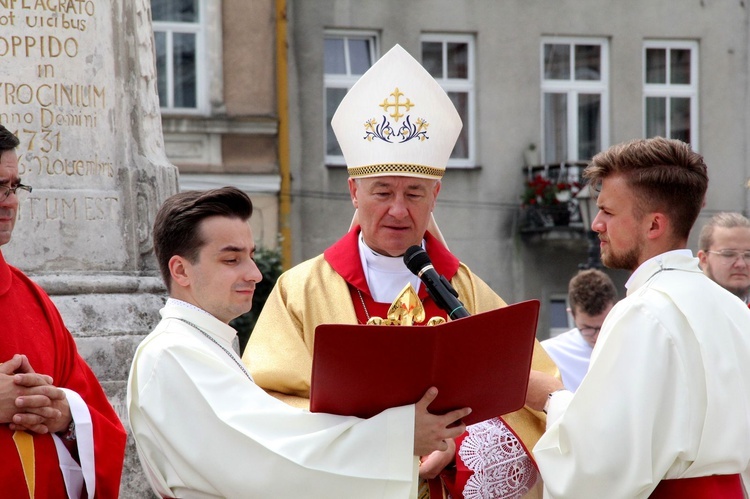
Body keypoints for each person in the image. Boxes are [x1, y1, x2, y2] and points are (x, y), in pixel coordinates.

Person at [243, 44, 557, 498]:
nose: (397, 210)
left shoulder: (464, 290)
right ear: (353, 191)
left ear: (436, 196)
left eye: (413, 193)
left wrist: (455, 445)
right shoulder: (302, 292)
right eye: (382, 191)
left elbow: (524, 402)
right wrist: (388, 443)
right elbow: (268, 406)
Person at [127, 186, 470, 498]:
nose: (255, 274)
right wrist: (398, 437)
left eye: (250, 255)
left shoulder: (201, 344)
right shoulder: (172, 353)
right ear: (181, 270)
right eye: (232, 260)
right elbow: (267, 462)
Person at [526, 137, 750, 498]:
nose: (596, 224)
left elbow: (601, 466)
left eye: (608, 212)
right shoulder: (734, 309)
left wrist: (551, 398)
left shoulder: (642, 312)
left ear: (653, 225)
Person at [0, 124, 127, 497]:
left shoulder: (31, 300)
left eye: (14, 187)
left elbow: (98, 416)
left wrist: (66, 415)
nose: (8, 201)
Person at [540, 269, 618, 391]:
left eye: (604, 326)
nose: (597, 337)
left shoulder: (638, 345)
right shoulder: (548, 354)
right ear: (572, 316)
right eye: (587, 328)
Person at [697, 212, 750, 306]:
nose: (741, 264)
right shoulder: (685, 309)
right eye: (728, 254)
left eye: (748, 256)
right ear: (703, 259)